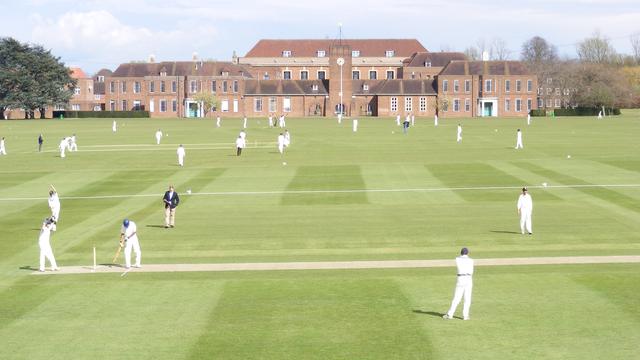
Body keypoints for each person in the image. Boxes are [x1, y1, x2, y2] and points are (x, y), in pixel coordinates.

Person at [443, 247, 474, 320]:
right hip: (469, 279)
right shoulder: (471, 260)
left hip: (461, 279)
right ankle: (465, 316)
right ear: (467, 253)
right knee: (467, 298)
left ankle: (450, 314)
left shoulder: (457, 259)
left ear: (461, 253)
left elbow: (459, 258)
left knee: (457, 298)